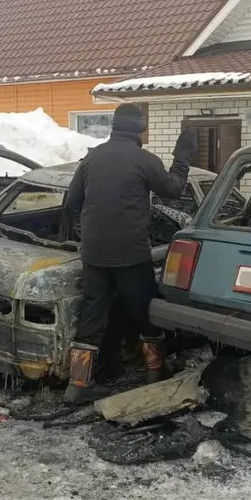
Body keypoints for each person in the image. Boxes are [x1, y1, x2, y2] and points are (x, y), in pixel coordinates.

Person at [63, 103, 197, 404]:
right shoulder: (144, 160)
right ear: (140, 129)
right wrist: (183, 156)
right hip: (131, 254)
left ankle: (78, 385)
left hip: (94, 254)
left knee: (92, 314)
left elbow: (72, 200)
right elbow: (174, 189)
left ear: (114, 125)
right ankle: (155, 370)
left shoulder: (93, 157)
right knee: (145, 311)